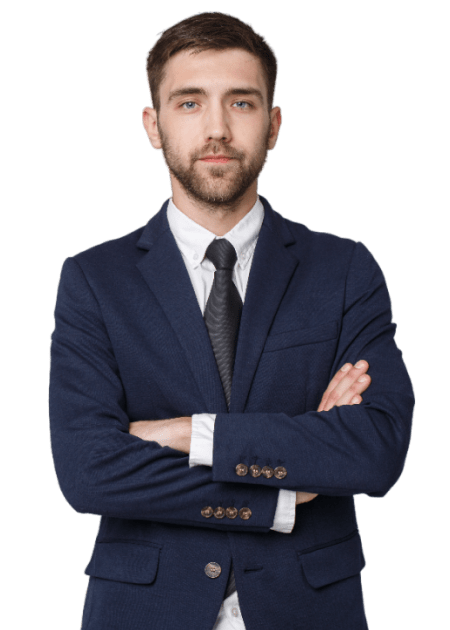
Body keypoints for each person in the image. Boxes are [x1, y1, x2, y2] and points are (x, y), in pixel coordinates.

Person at [49, 11, 414, 630]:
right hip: (145, 609)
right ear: (153, 126)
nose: (217, 128)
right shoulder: (93, 279)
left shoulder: (344, 269)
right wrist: (280, 493)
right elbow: (89, 472)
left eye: (241, 103)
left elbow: (374, 450)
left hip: (308, 609)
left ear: (274, 125)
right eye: (189, 103)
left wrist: (189, 433)